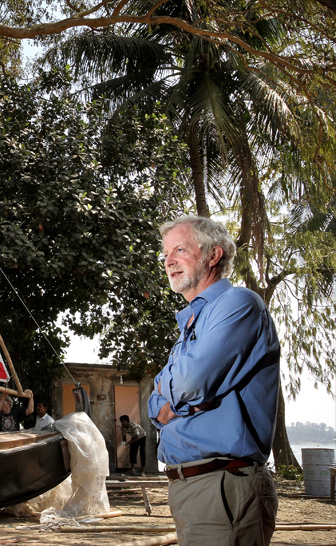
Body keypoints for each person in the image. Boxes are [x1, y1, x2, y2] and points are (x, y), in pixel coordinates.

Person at [147, 215, 280, 546]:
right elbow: (155, 407)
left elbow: (189, 383)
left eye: (180, 250)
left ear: (213, 254)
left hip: (222, 486)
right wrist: (176, 393)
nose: (168, 261)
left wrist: (173, 390)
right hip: (192, 488)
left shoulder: (238, 304)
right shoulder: (193, 321)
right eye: (165, 253)